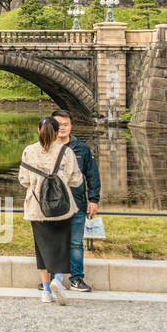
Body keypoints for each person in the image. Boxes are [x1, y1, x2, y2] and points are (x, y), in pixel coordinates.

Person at [20, 116, 84, 305]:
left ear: (38, 130)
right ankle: (58, 279)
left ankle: (46, 290)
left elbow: (23, 180)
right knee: (62, 246)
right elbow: (76, 180)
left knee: (42, 249)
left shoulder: (29, 151)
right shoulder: (66, 151)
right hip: (63, 208)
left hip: (37, 207)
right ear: (57, 132)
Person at [53, 109, 101, 293]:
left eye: (66, 124)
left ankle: (76, 279)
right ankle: (52, 278)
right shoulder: (46, 147)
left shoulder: (82, 149)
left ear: (71, 126)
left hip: (77, 203)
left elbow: (92, 176)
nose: (62, 128)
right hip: (53, 205)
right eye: (59, 125)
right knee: (54, 242)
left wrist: (94, 199)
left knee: (75, 243)